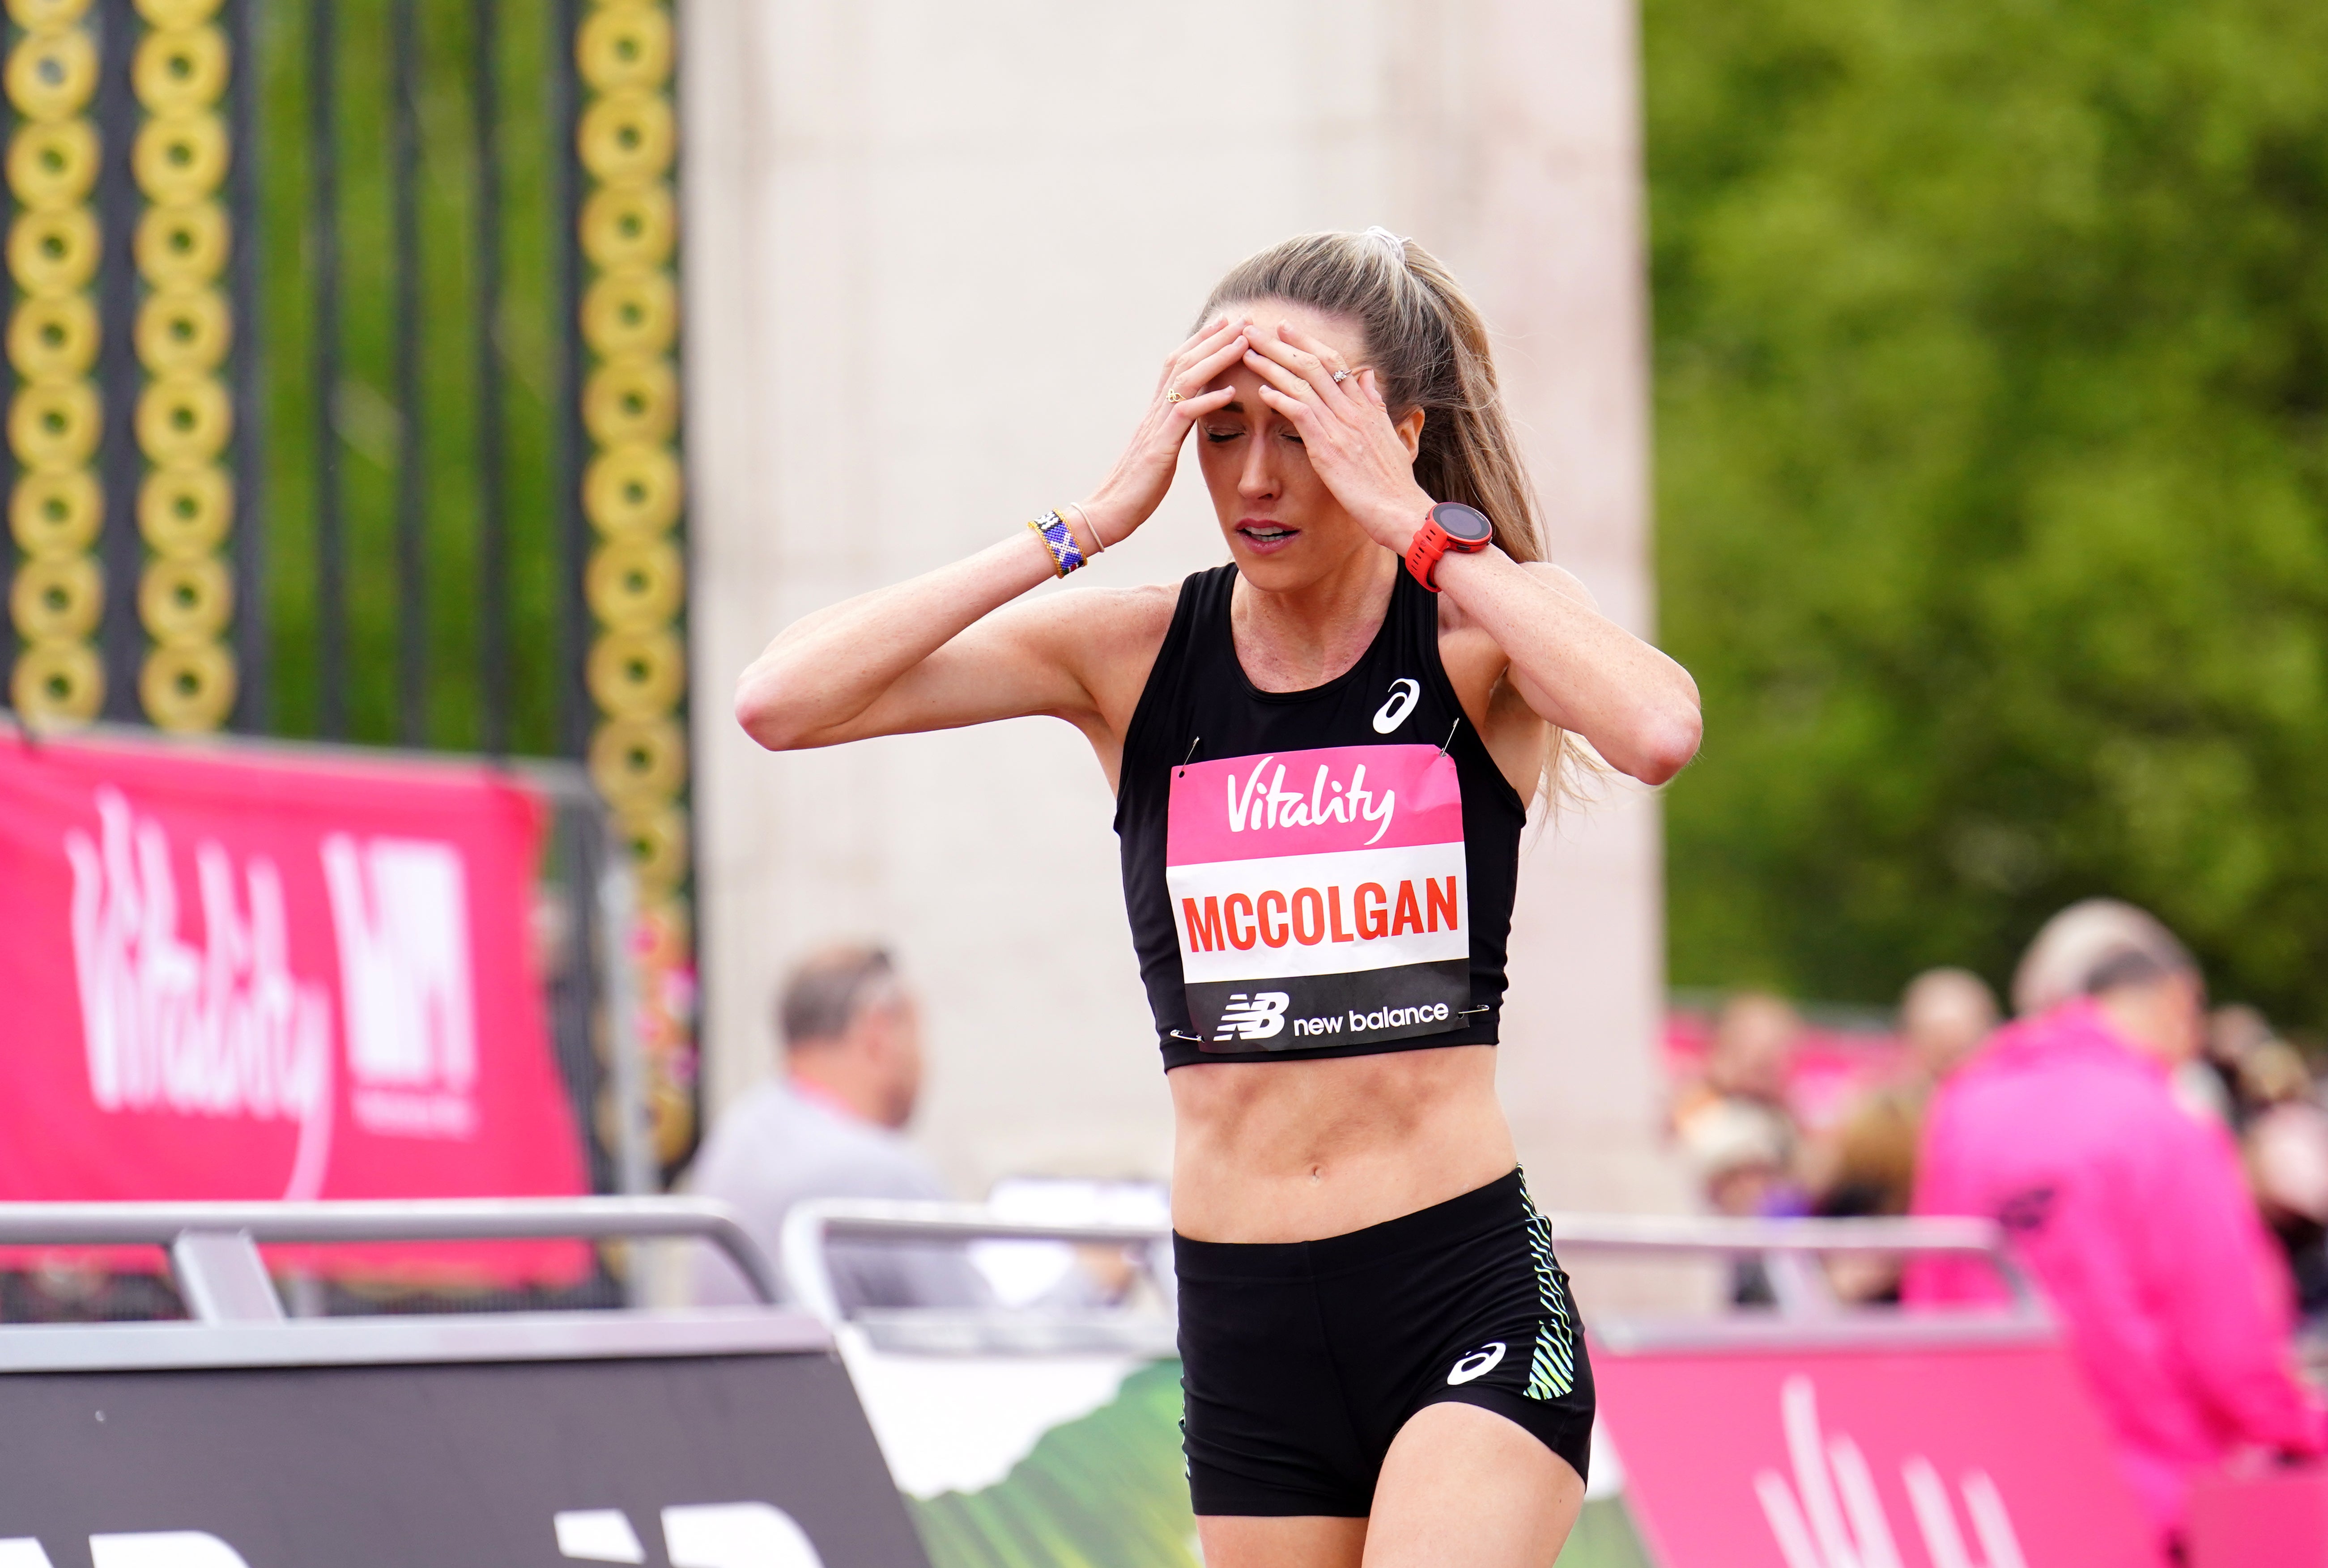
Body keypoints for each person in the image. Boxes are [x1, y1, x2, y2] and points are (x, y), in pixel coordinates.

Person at [734, 228, 1702, 1567]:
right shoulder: (1133, 651)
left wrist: (1420, 528)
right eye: (1222, 429)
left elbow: (1657, 726)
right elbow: (779, 700)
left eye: (1303, 430)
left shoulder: (1482, 629)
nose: (1256, 476)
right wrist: (1079, 526)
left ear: (1394, 431)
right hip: (1245, 1319)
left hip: (1456, 1288)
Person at [1905, 899, 2327, 1546]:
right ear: (2174, 997)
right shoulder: (2160, 1120)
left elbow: (1929, 1299)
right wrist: (2302, 1427)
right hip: (2144, 1496)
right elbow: (2226, 1339)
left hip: (1988, 1493)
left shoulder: (1961, 1105)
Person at [689, 943, 990, 1310]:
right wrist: (1076, 1273)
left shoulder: (735, 1133)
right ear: (878, 1033)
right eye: (915, 1032)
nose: (923, 1061)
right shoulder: (883, 1175)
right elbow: (981, 1337)